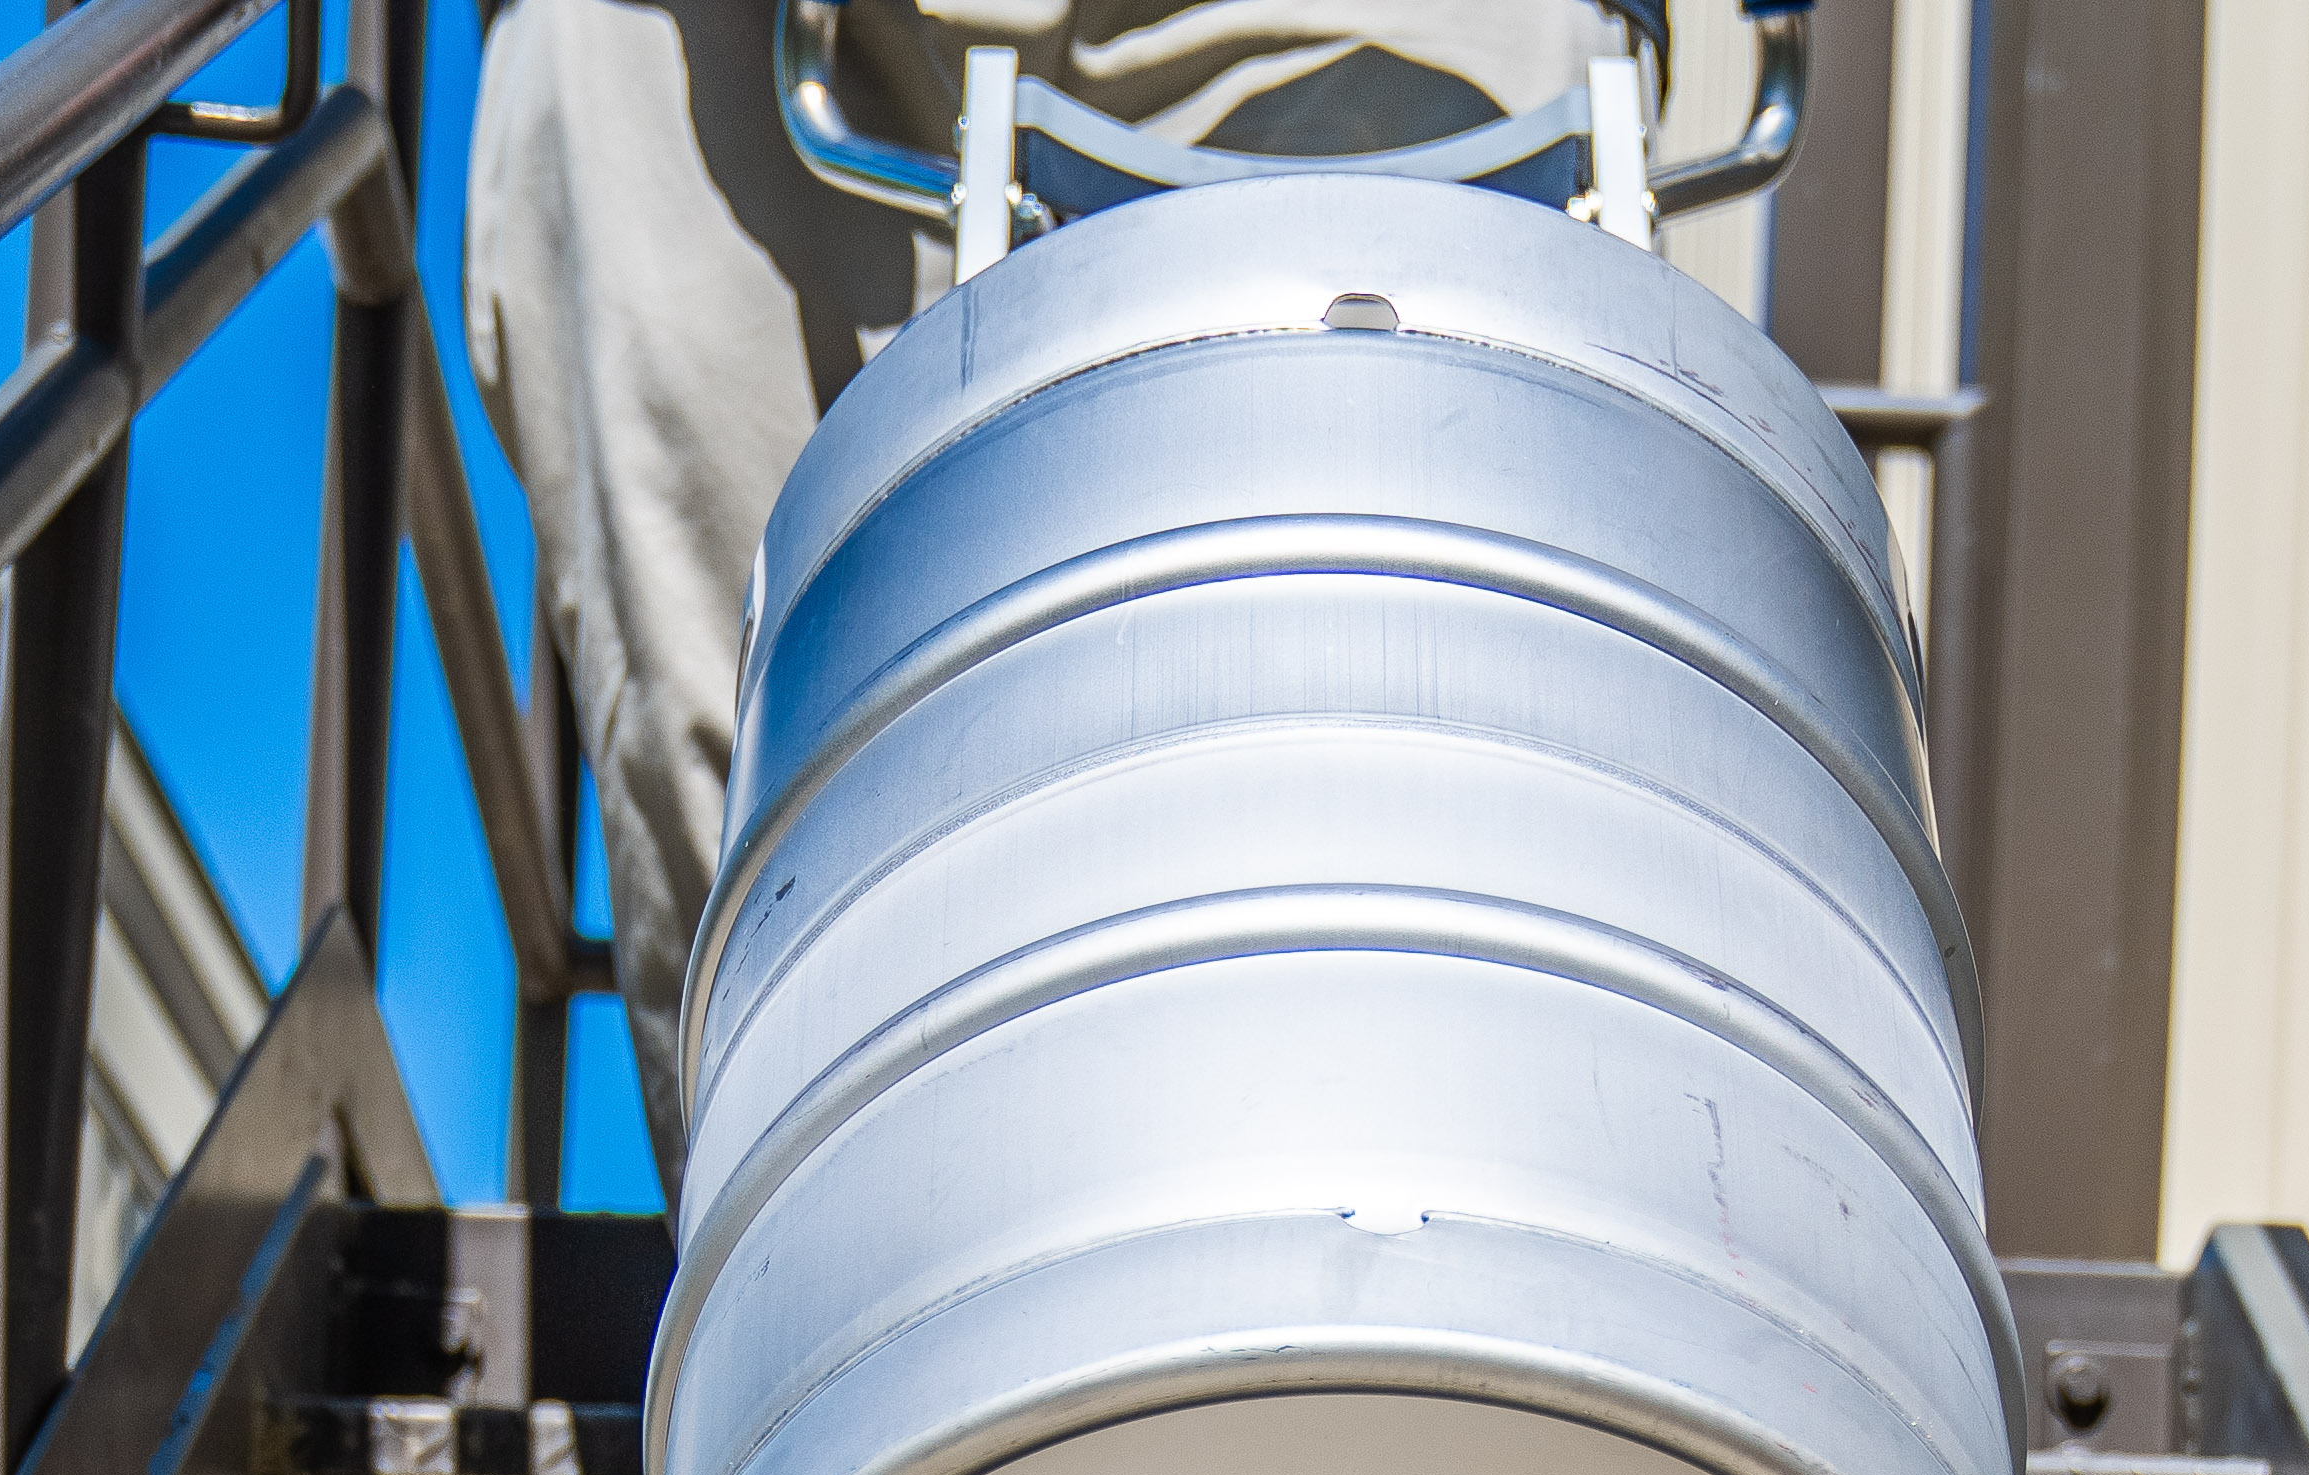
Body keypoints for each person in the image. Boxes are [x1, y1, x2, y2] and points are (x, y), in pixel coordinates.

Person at [464, 0, 1586, 1157]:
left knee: (1385, 728)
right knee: (589, 76)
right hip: (763, 46)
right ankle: (815, 1214)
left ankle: (1416, 1194)